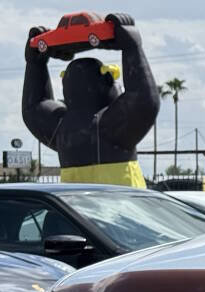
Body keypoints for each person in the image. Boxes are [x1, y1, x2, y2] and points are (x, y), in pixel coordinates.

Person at [22, 13, 159, 188]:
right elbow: (144, 99)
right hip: (125, 209)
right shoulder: (110, 125)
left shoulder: (61, 127)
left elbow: (34, 106)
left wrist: (35, 64)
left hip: (74, 211)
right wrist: (132, 46)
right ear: (106, 82)